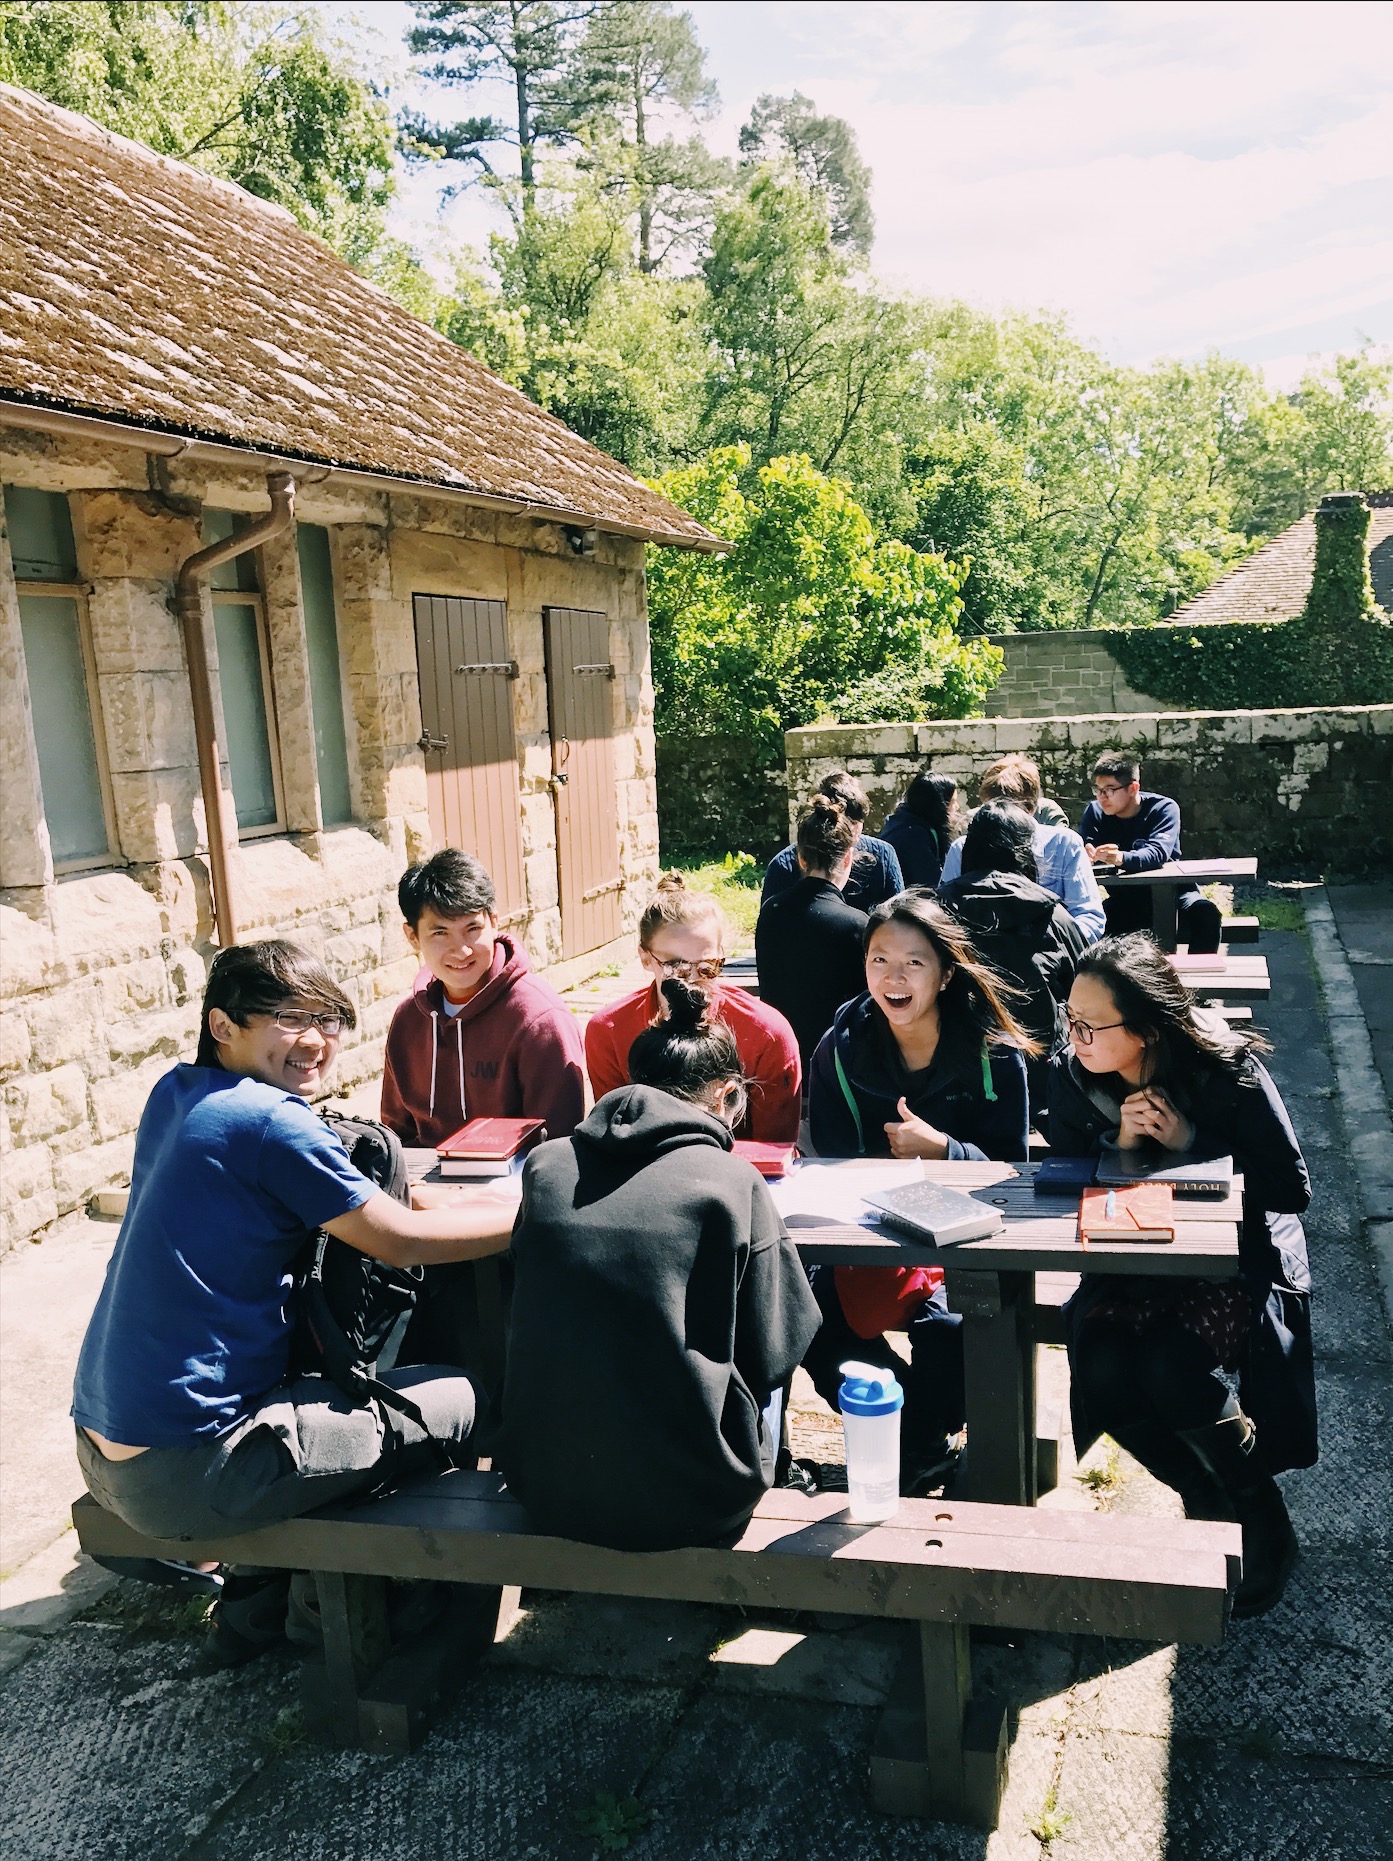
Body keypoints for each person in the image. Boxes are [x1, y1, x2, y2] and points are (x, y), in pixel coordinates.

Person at [72, 941, 514, 1663]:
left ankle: (258, 1606)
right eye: (287, 1018)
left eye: (327, 1020)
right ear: (223, 1024)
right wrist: (536, 1213)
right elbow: (398, 1240)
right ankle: (389, 1619)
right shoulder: (272, 1120)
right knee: (460, 1397)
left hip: (101, 1449)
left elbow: (361, 1203)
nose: (314, 1040)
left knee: (325, 1395)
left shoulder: (177, 1092)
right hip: (189, 1472)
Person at [500, 978, 821, 1551]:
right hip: (695, 1500)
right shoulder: (732, 1180)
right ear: (726, 1095)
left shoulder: (546, 1166)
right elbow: (778, 1347)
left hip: (543, 1485)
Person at [1048, 934, 1314, 1617]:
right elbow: (1059, 1171)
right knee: (1100, 1364)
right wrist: (1119, 1144)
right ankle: (1202, 1492)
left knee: (1169, 1365)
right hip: (1130, 1256)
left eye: (1090, 1025)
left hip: (1228, 1263)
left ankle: (1262, 1516)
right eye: (1069, 1019)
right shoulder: (1075, 1074)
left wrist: (1192, 1145)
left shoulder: (1226, 1070)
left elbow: (1291, 1187)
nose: (1074, 1037)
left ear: (1142, 1029)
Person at [804, 893, 1036, 1488]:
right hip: (870, 1235)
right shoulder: (841, 1047)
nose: (894, 978)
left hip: (969, 1237)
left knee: (952, 1329)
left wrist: (945, 1152)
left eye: (914, 963)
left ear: (946, 973)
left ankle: (927, 1439)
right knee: (802, 1317)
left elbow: (1014, 1175)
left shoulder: (993, 1051)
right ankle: (919, 1440)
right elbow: (828, 1161)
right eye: (879, 960)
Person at [381, 849, 585, 1150]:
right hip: (422, 1176)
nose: (461, 950)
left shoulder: (541, 1020)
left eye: (472, 929)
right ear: (412, 936)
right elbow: (395, 1135)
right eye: (440, 933)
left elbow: (559, 1145)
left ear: (494, 922)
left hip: (514, 1177)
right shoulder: (408, 1019)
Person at [585, 873, 801, 1141]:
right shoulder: (608, 1031)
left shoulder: (765, 1034)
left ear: (721, 954)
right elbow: (613, 1133)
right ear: (645, 958)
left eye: (708, 967)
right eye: (676, 967)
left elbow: (773, 1148)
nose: (693, 980)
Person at [937, 801, 1090, 1116]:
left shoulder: (935, 911)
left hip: (949, 1075)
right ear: (1026, 853)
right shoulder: (1053, 916)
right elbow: (1085, 984)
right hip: (1041, 1080)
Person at [755, 794, 868, 1066]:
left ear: (801, 860)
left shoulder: (771, 911)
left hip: (781, 1054)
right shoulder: (856, 924)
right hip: (835, 1060)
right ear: (847, 859)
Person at [939, 758, 1105, 942]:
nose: (998, 816)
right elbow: (943, 916)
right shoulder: (961, 849)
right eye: (990, 808)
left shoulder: (1063, 844)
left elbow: (1088, 917)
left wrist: (1055, 950)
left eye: (1009, 811)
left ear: (1031, 809)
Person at [1077, 753, 1222, 953]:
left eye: (1109, 789)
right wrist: (1086, 853)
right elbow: (1083, 846)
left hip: (1175, 896)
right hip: (1125, 901)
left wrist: (1121, 858)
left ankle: (1199, 972)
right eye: (1098, 790)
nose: (1102, 797)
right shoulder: (1095, 812)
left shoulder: (1163, 808)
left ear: (1133, 788)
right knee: (1087, 923)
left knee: (1206, 914)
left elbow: (1157, 852)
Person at [762, 769, 904, 913]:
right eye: (842, 825)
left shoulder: (883, 856)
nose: (848, 833)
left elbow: (899, 917)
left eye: (854, 823)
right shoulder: (783, 865)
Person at [880, 770, 962, 889]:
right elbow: (931, 886)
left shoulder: (904, 823)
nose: (957, 807)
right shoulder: (913, 837)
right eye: (953, 801)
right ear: (939, 804)